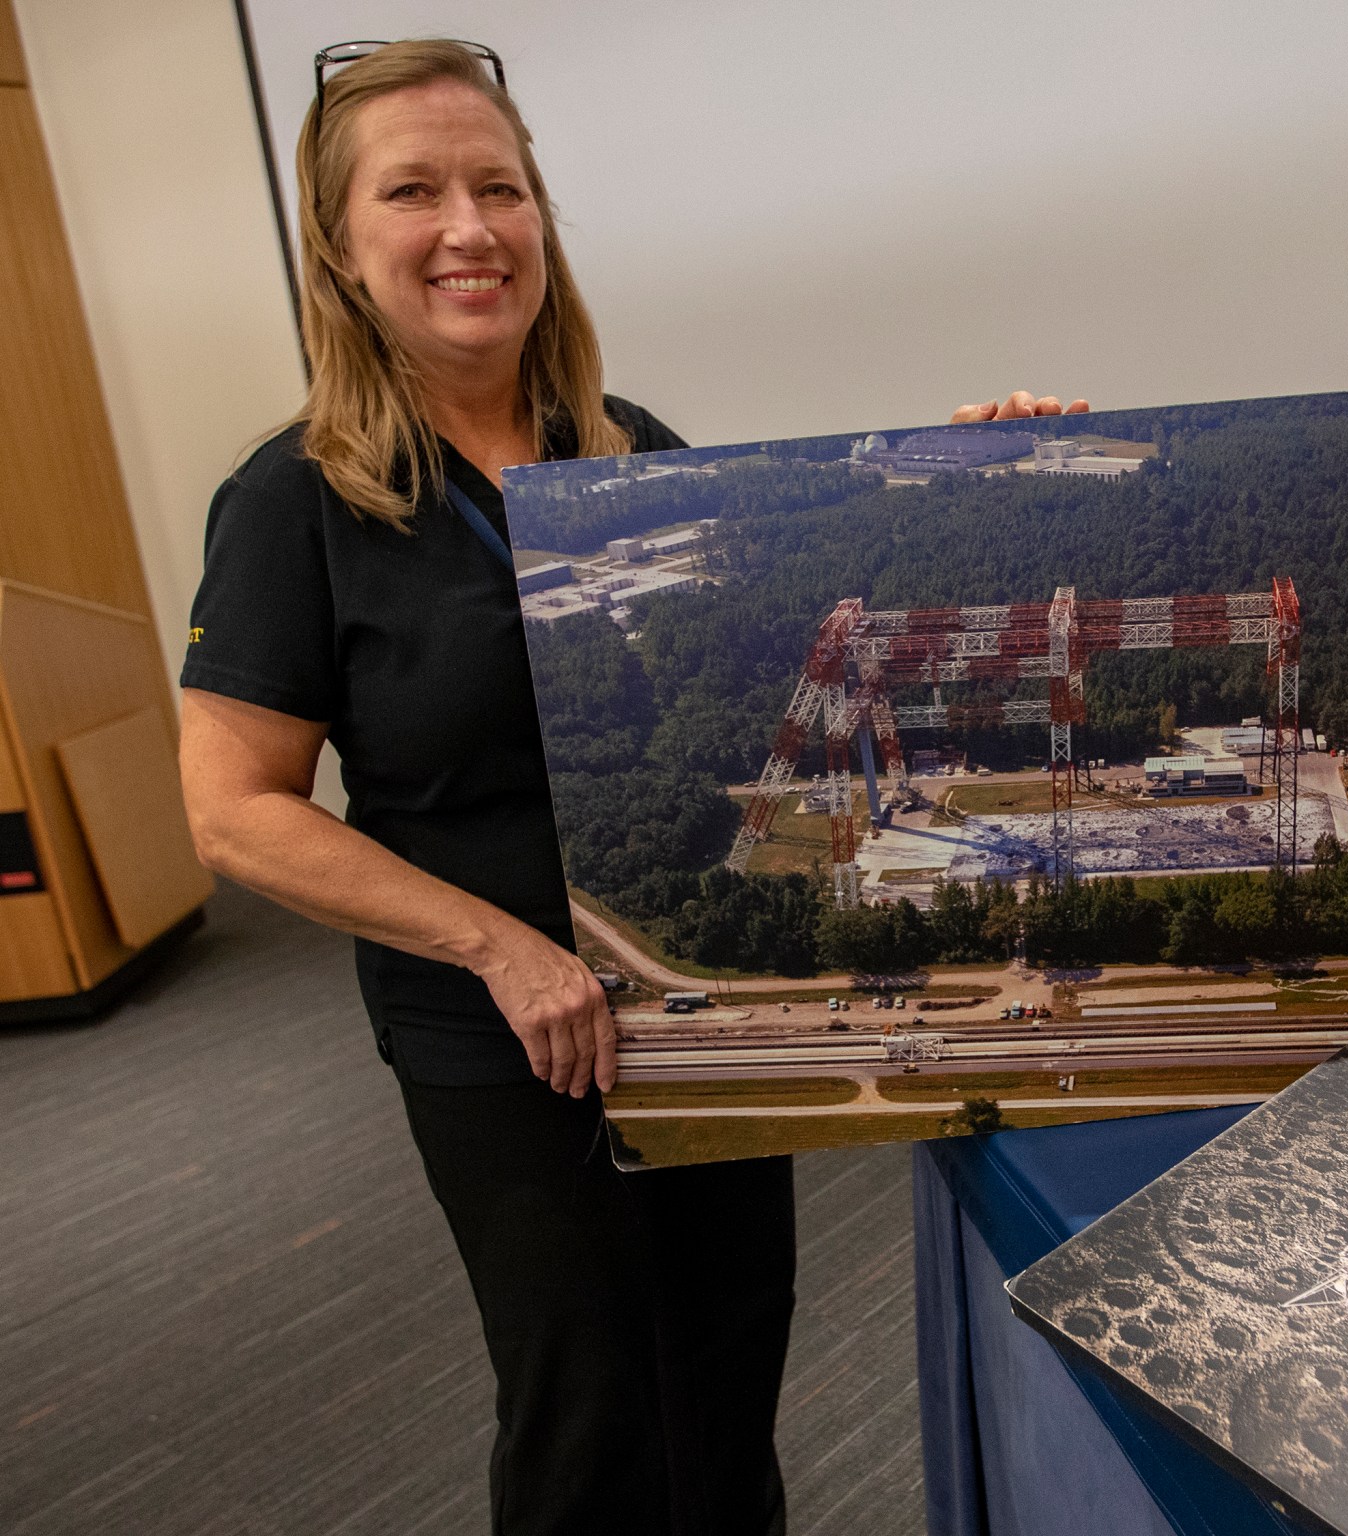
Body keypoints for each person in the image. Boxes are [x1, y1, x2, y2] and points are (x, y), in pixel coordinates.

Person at [176, 38, 1084, 1536]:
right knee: (587, 1407)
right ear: (339, 251)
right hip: (503, 1034)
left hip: (699, 1003)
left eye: (501, 187)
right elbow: (233, 812)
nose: (470, 227)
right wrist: (501, 949)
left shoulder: (626, 452)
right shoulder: (298, 500)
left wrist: (979, 483)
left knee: (728, 1369)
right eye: (413, 192)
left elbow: (800, 656)